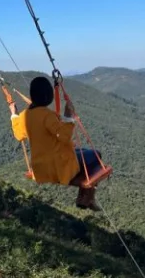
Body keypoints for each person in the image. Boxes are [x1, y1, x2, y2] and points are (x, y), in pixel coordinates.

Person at [10, 76, 103, 211]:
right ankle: (86, 196)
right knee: (96, 155)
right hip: (58, 166)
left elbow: (18, 135)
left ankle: (86, 198)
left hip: (40, 167)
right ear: (49, 97)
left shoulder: (25, 116)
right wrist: (69, 117)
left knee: (80, 151)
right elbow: (64, 136)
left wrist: (14, 114)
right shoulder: (48, 115)